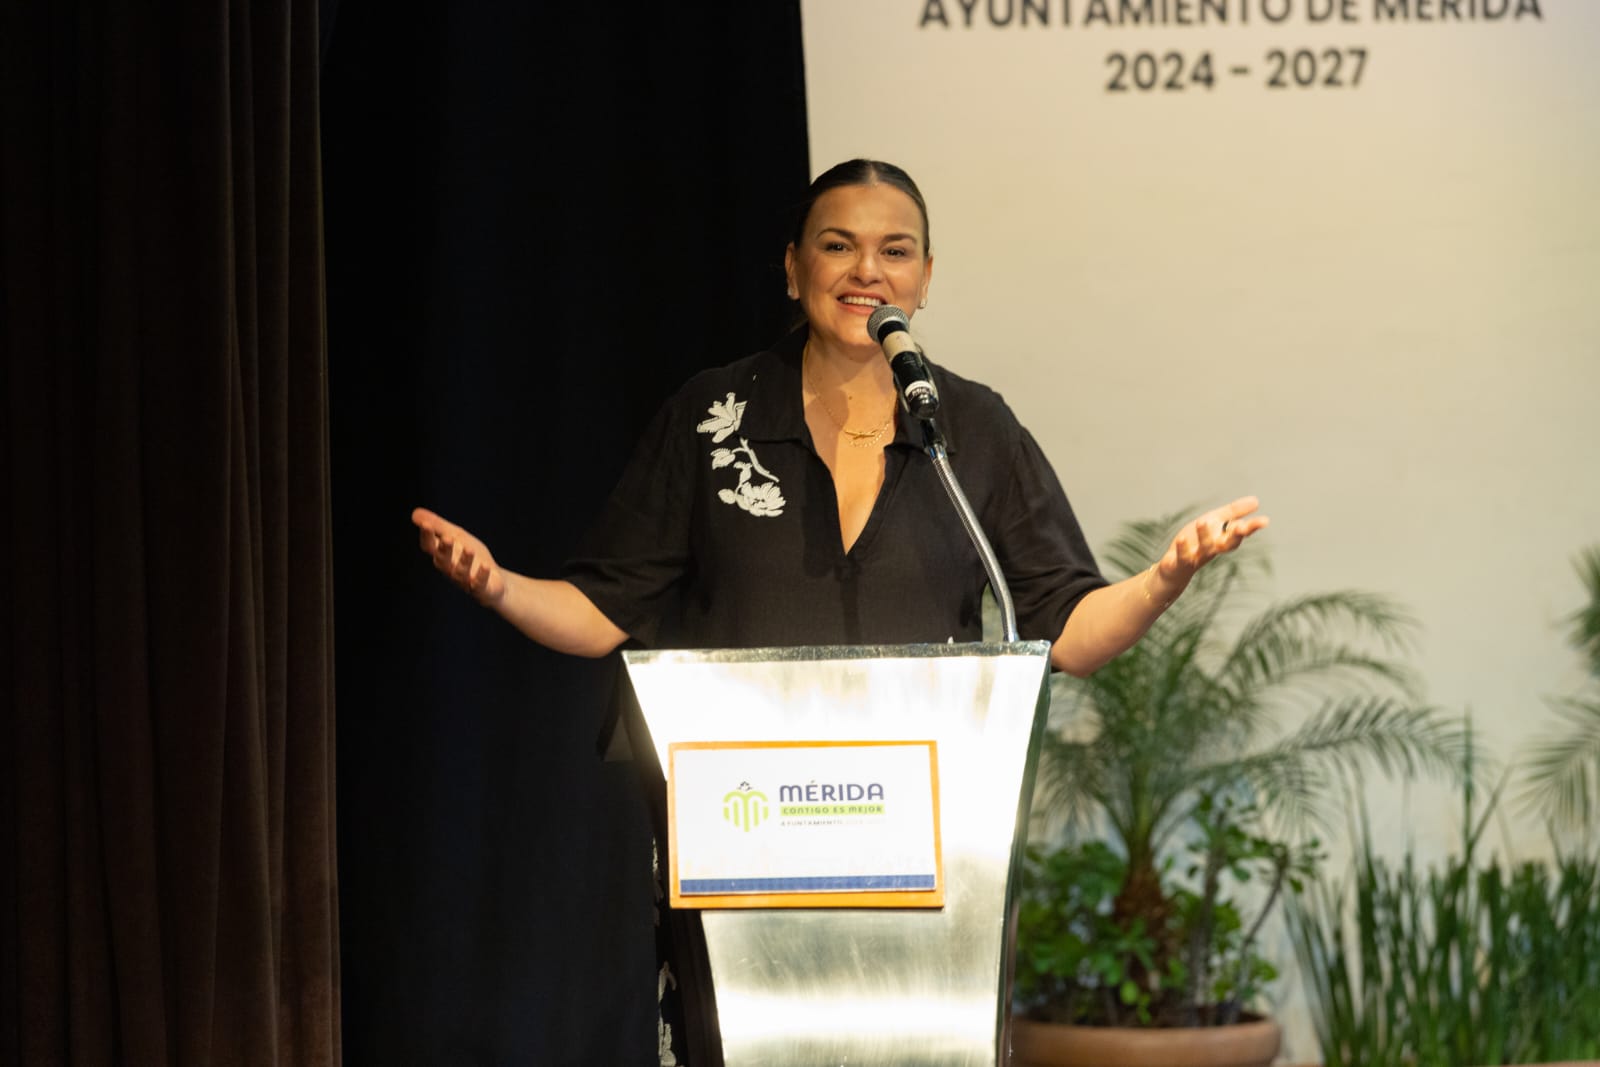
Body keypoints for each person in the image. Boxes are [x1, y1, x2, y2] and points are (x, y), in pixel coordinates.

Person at [411, 158, 1267, 1065]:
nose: (868, 270)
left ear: (925, 276)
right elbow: (601, 608)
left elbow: (1068, 627)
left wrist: (1162, 579)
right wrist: (498, 584)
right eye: (838, 245)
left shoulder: (969, 429)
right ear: (793, 269)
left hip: (926, 851)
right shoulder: (715, 416)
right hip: (742, 835)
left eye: (895, 250)